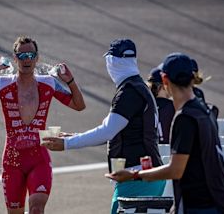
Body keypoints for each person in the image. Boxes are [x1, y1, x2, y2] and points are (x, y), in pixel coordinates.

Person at [0, 36, 85, 214]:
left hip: (38, 159)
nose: (27, 59)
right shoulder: (2, 83)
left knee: (36, 209)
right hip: (12, 160)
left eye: (31, 55)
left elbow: (79, 106)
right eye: (22, 55)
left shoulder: (49, 82)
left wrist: (70, 81)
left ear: (37, 58)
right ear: (15, 58)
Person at [106, 53, 224, 214]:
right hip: (223, 202)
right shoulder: (205, 110)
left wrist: (133, 175)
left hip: (204, 206)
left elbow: (175, 170)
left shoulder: (185, 118)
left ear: (165, 80)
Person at [42, 38, 165, 214]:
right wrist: (72, 136)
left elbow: (107, 131)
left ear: (111, 61)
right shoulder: (137, 87)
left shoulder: (129, 92)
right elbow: (114, 130)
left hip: (137, 178)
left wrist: (67, 144)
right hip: (143, 176)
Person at [147, 67, 175, 144]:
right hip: (169, 152)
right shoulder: (173, 107)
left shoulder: (145, 106)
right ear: (162, 86)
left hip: (150, 152)